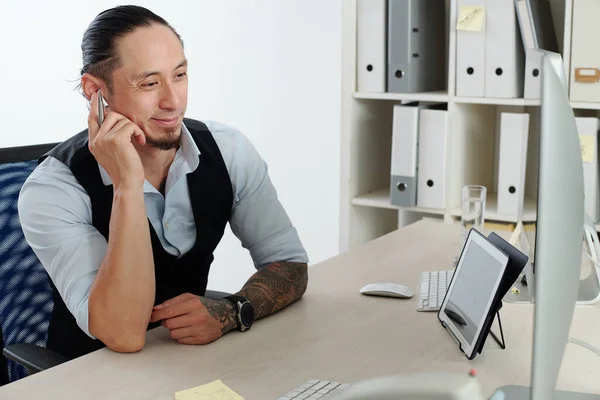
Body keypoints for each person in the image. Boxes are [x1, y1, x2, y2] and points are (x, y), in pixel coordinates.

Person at [18, 5, 309, 360]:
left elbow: (290, 265)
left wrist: (233, 310)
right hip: (92, 376)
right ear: (95, 90)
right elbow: (123, 335)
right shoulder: (53, 190)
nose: (173, 101)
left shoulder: (228, 150)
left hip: (190, 363)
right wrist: (127, 185)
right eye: (150, 83)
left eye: (180, 75)